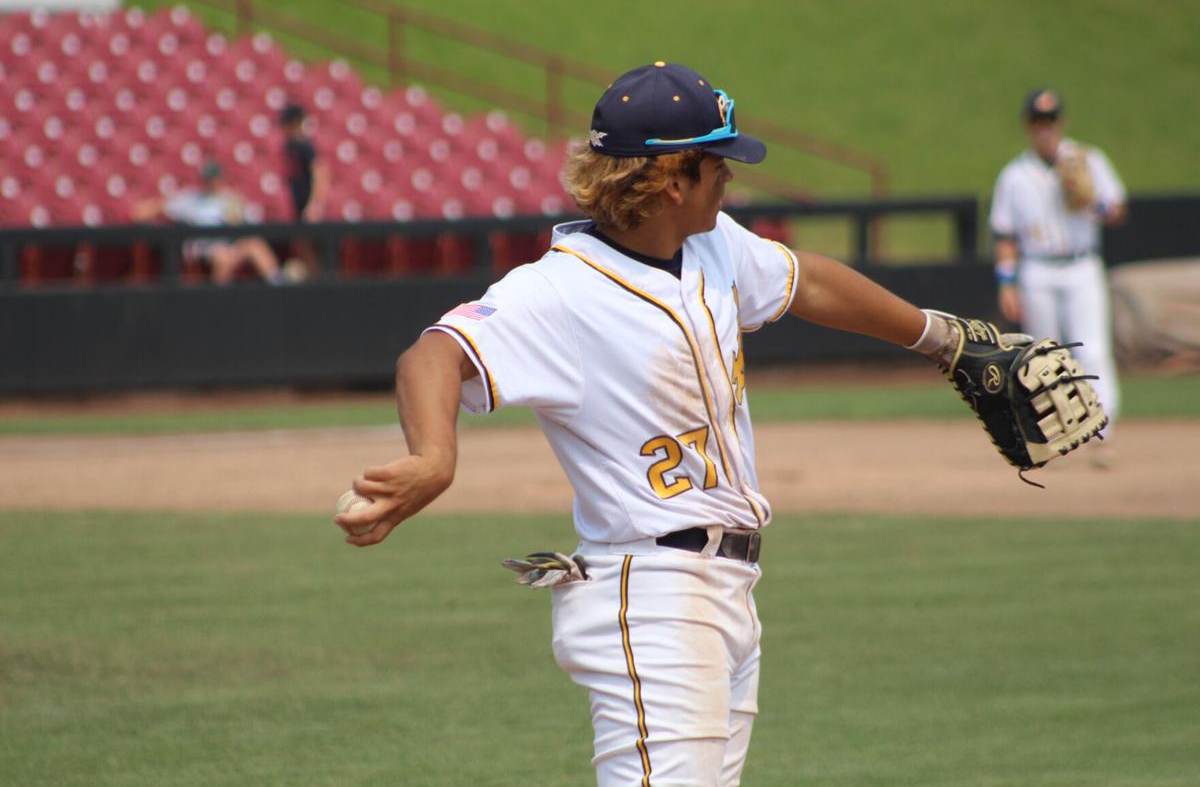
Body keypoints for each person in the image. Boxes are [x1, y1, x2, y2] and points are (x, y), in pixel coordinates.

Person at [334, 62, 969, 785]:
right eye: (717, 165)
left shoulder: (710, 245)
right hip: (652, 594)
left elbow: (807, 280)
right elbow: (434, 354)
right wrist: (434, 458)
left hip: (725, 591)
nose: (730, 178)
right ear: (673, 179)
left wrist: (942, 339)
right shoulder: (557, 290)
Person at [989, 88, 1126, 447]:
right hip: (1037, 269)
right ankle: (1053, 434)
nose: (1044, 129)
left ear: (1060, 123)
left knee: (1093, 350)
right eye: (1037, 122)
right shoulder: (1014, 175)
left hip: (1082, 265)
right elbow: (1004, 234)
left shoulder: (1087, 159)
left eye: (1049, 121)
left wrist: (1091, 200)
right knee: (1043, 356)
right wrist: (1007, 282)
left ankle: (1102, 431)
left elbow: (1117, 212)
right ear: (1027, 126)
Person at [133, 162, 296, 285]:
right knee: (222, 256)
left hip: (229, 242)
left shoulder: (230, 199)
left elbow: (246, 221)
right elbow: (153, 208)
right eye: (208, 179)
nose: (212, 183)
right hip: (203, 246)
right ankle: (218, 297)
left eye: (214, 179)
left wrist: (236, 218)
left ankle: (277, 283)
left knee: (254, 244)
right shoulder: (192, 198)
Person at [279, 103, 330, 223]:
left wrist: (314, 204)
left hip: (307, 204)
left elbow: (320, 174)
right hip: (298, 204)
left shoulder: (305, 147)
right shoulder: (289, 146)